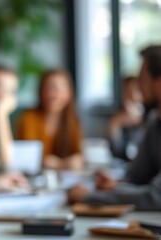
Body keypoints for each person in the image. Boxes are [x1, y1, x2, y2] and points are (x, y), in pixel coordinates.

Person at [68, 46, 161, 211]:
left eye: (142, 78)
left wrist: (90, 197)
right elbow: (136, 177)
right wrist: (114, 184)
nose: (138, 85)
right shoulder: (155, 123)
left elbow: (155, 197)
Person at [15, 69, 83, 171]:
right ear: (41, 91)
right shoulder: (28, 117)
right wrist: (44, 161)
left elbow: (78, 153)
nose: (54, 94)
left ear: (69, 93)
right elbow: (25, 156)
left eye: (60, 89)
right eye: (49, 88)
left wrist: (76, 160)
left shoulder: (72, 120)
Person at [108, 76, 144, 162]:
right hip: (121, 164)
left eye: (135, 90)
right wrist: (115, 124)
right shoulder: (117, 117)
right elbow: (114, 151)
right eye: (127, 91)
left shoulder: (149, 118)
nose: (131, 95)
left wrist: (138, 120)